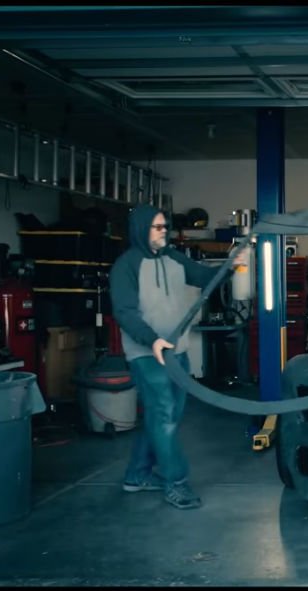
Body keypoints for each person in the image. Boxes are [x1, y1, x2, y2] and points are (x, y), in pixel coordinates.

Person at [110, 204, 246, 510]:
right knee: (164, 416)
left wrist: (231, 265)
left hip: (178, 351)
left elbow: (203, 276)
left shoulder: (173, 257)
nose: (164, 232)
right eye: (157, 227)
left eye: (165, 226)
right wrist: (152, 340)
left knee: (165, 416)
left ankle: (136, 475)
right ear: (141, 229)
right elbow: (125, 311)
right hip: (148, 354)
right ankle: (176, 481)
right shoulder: (126, 266)